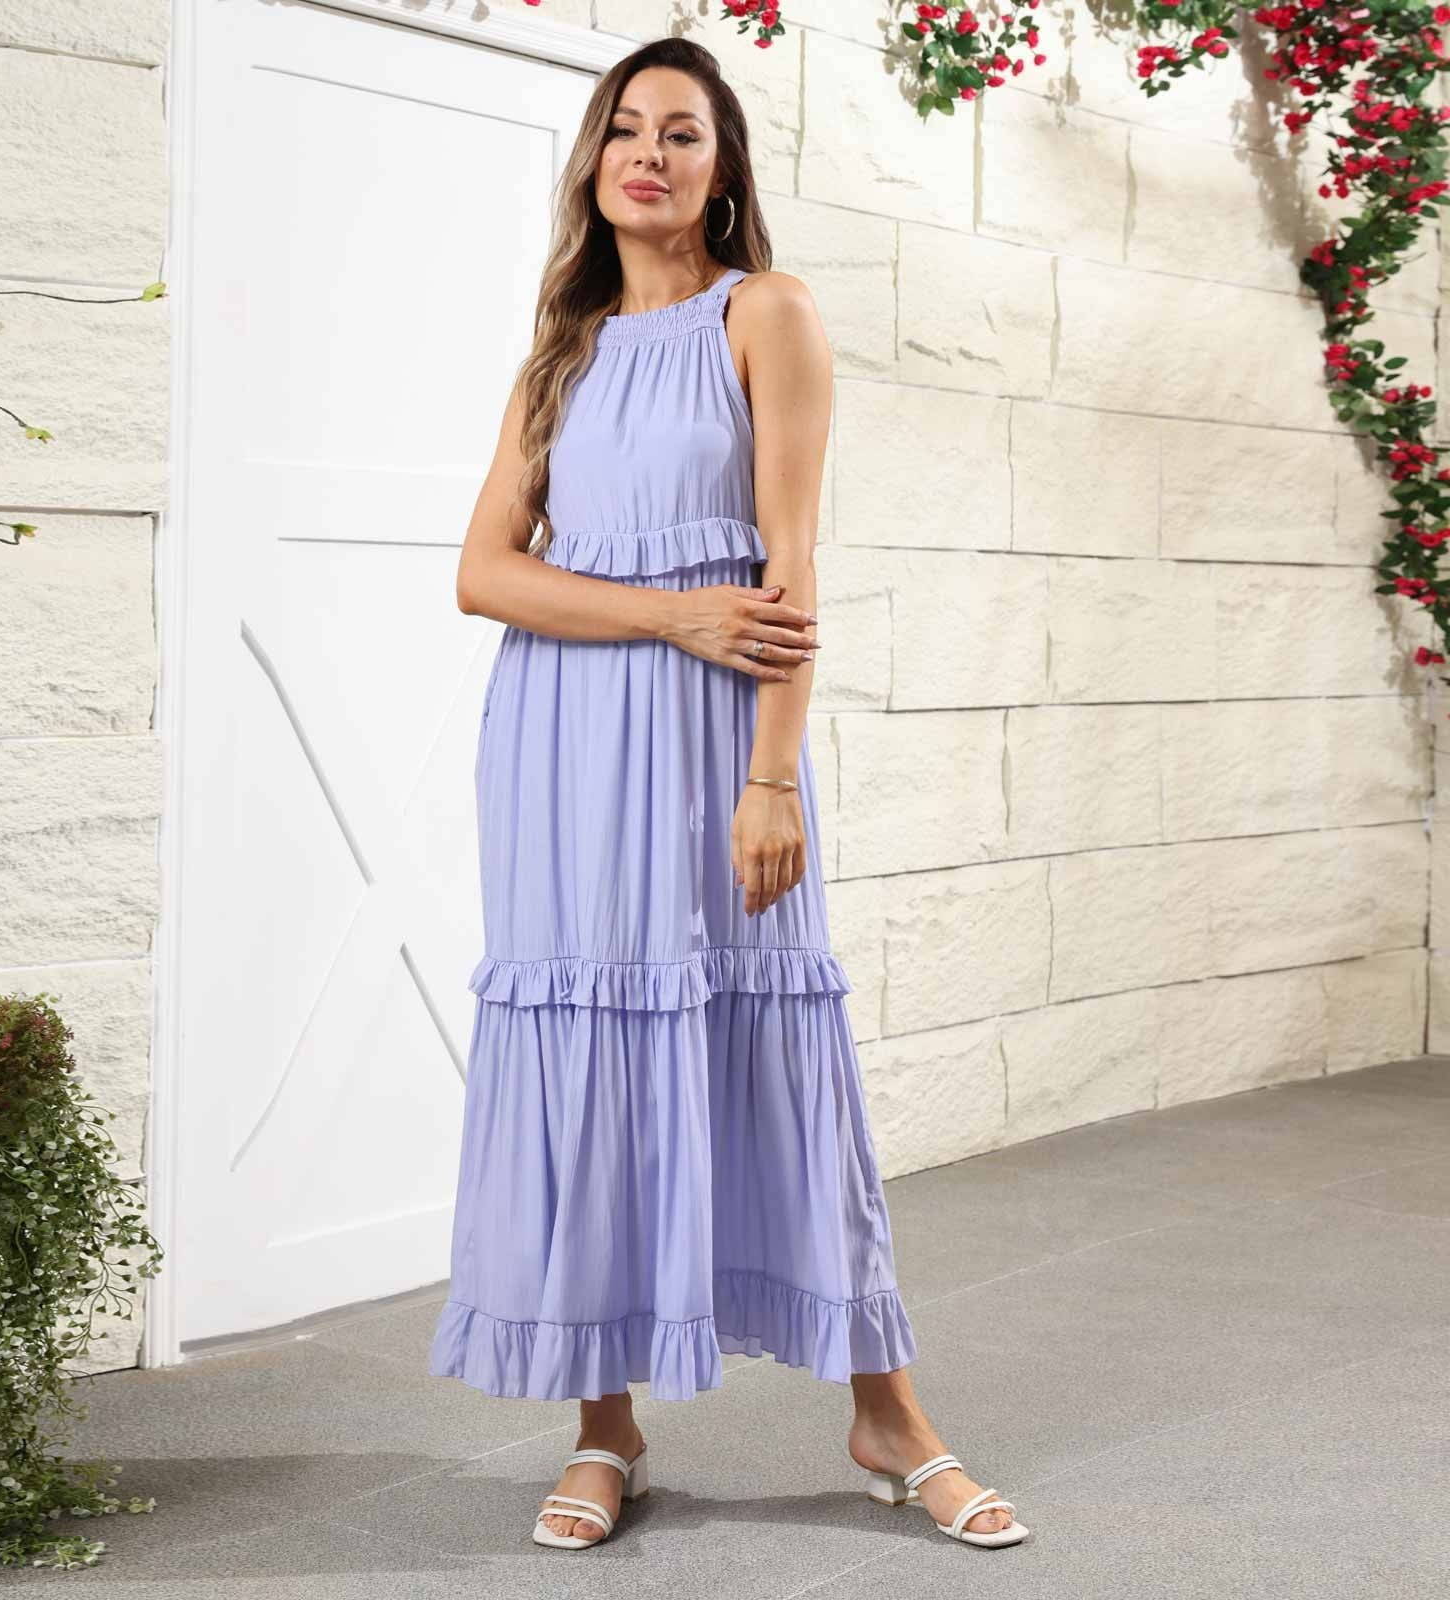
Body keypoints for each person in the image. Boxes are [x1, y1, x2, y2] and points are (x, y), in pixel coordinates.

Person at [432, 35, 1028, 1555]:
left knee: (774, 1041)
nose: (650, 153)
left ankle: (888, 1417)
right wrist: (668, 614)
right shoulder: (557, 358)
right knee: (590, 1053)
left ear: (721, 167)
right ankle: (604, 1428)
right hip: (561, 744)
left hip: (719, 743)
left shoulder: (766, 313)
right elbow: (484, 576)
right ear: (593, 163)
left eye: (682, 132)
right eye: (625, 129)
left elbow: (789, 564)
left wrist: (772, 778)